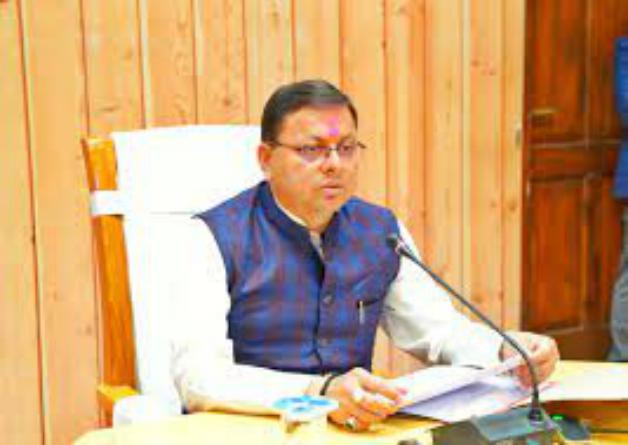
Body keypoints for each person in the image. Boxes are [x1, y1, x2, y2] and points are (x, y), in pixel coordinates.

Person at [171, 79, 559, 431]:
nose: (334, 164)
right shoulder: (212, 237)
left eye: (346, 148)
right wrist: (319, 391)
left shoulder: (380, 231)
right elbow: (198, 378)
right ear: (265, 159)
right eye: (311, 150)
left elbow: (436, 329)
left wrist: (505, 349)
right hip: (247, 430)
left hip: (352, 431)